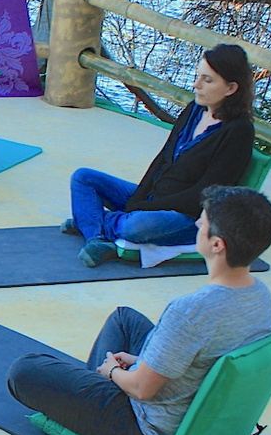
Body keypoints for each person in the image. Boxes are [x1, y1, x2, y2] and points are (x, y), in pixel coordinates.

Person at [8, 186, 271, 435]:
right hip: (187, 400)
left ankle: (90, 402)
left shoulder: (190, 311)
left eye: (203, 221)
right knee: (125, 319)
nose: (197, 222)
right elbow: (208, 356)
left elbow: (141, 389)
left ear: (217, 244)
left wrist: (113, 372)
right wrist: (141, 361)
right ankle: (91, 395)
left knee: (24, 370)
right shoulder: (260, 296)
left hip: (148, 429)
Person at [65, 43, 256, 267]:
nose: (196, 85)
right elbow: (162, 158)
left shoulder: (238, 132)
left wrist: (145, 207)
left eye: (208, 80)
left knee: (135, 226)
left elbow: (203, 195)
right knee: (83, 178)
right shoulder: (195, 110)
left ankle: (91, 221)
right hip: (153, 200)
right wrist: (138, 200)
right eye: (198, 77)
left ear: (231, 88)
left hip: (185, 216)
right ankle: (96, 236)